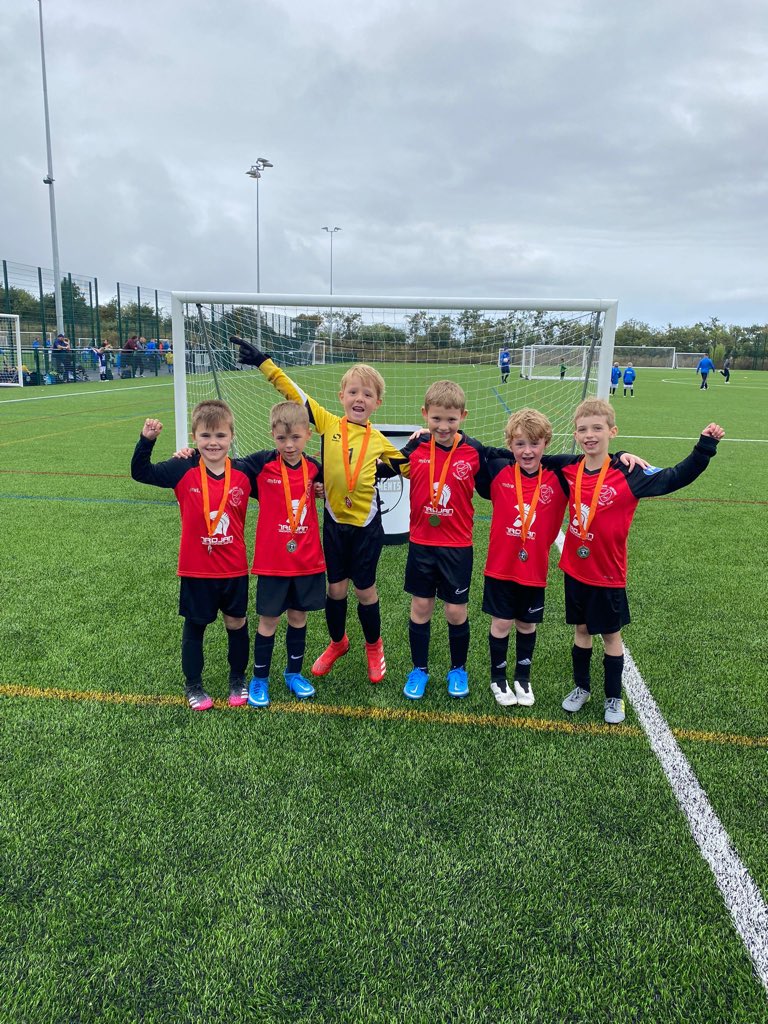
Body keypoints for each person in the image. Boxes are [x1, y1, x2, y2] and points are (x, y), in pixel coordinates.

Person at [231, 336, 403, 684]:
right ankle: (338, 642)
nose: (359, 398)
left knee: (365, 591)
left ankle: (374, 647)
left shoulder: (380, 442)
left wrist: (428, 446)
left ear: (377, 403)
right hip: (334, 523)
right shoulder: (326, 424)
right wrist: (265, 363)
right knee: (335, 589)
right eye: (353, 391)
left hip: (368, 526)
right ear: (342, 396)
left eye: (367, 394)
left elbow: (409, 467)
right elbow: (294, 395)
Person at [557, 398, 724, 724]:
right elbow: (524, 455)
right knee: (580, 629)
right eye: (582, 429)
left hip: (608, 575)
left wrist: (705, 447)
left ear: (612, 431)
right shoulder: (567, 467)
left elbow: (676, 476)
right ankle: (581, 688)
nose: (590, 435)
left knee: (611, 637)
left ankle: (614, 698)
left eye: (597, 428)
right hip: (575, 570)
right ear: (576, 435)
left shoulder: (629, 471)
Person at [130, 400, 255, 711]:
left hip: (234, 570)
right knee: (195, 627)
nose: (213, 443)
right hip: (197, 570)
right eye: (205, 436)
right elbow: (140, 472)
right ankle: (193, 685)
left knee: (236, 624)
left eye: (220, 436)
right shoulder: (182, 468)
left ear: (231, 437)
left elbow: (282, 479)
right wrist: (147, 440)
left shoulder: (242, 472)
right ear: (194, 437)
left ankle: (238, 679)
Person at [380, 381, 487, 700]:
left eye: (451, 420)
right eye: (436, 419)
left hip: (457, 547)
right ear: (425, 415)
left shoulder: (475, 450)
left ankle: (458, 669)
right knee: (421, 607)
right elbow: (383, 471)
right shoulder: (416, 448)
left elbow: (500, 481)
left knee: (456, 612)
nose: (443, 426)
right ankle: (419, 670)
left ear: (463, 417)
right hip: (422, 545)